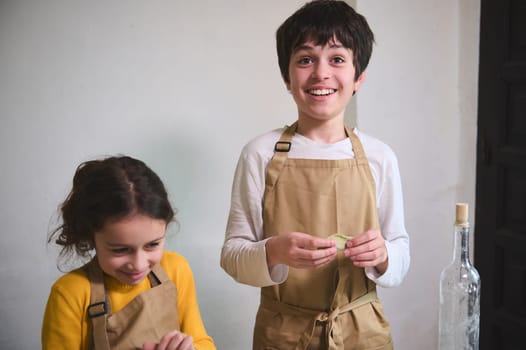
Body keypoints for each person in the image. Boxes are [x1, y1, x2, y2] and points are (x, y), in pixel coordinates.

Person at [220, 1, 410, 349]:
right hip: (283, 333)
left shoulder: (379, 156)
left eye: (337, 59)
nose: (321, 73)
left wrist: (383, 255)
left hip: (362, 332)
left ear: (358, 78)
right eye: (305, 59)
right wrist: (274, 251)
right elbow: (232, 256)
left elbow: (400, 249)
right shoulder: (260, 154)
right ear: (287, 77)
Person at [42, 156, 216, 350]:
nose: (139, 264)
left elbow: (202, 341)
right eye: (121, 250)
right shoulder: (70, 293)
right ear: (92, 236)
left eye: (152, 245)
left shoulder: (176, 270)